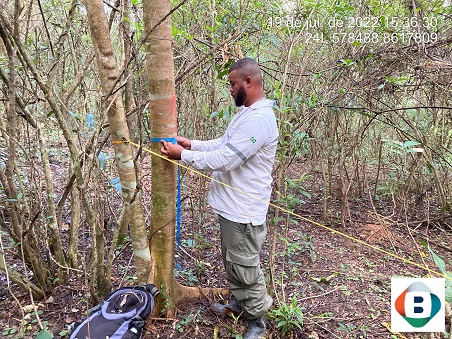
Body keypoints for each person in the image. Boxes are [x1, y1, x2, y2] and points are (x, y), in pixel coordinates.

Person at [161, 57, 278, 339]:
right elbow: (225, 143)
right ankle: (240, 303)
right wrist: (194, 144)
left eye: (232, 83)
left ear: (248, 82)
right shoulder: (247, 113)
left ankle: (257, 321)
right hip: (231, 207)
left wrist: (184, 156)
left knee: (246, 264)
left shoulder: (260, 119)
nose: (230, 89)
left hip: (245, 208)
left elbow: (228, 158)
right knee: (232, 259)